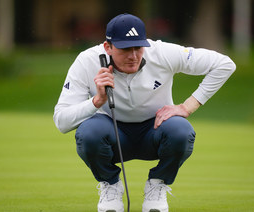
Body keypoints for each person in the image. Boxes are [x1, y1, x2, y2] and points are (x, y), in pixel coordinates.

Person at [53, 13, 236, 212]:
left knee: (181, 131)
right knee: (88, 133)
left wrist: (187, 106)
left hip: (155, 131)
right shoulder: (86, 61)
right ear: (108, 47)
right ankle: (111, 186)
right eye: (125, 49)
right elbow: (62, 122)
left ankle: (157, 185)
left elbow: (224, 64)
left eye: (138, 48)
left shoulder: (162, 52)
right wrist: (96, 101)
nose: (133, 56)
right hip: (112, 133)